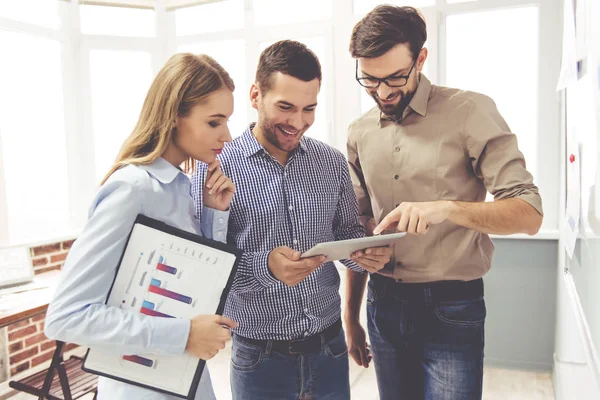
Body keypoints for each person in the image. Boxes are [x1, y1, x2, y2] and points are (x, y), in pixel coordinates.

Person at [344, 5, 544, 400]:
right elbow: (359, 228)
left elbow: (530, 212)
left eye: (395, 77)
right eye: (369, 79)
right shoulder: (358, 132)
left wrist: (447, 208)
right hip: (382, 305)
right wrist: (351, 314)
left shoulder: (469, 112)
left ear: (421, 58)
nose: (383, 92)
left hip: (450, 306)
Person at [191, 40, 392, 400]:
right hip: (259, 357)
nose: (298, 122)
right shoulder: (215, 168)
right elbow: (206, 268)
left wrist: (363, 254)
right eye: (285, 107)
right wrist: (266, 267)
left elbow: (345, 233)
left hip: (329, 348)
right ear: (256, 95)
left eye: (309, 108)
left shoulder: (330, 162)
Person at [44, 53, 239, 400]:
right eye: (214, 122)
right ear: (174, 116)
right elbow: (67, 317)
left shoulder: (181, 187)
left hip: (183, 378)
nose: (226, 135)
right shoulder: (133, 188)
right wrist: (183, 335)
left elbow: (192, 290)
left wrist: (214, 213)